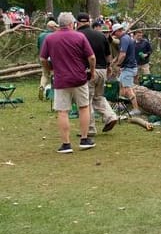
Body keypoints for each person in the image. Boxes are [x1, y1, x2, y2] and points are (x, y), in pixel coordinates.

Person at [39, 12, 96, 153]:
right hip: (79, 78)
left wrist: (49, 69)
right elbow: (92, 57)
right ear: (72, 24)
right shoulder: (79, 36)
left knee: (62, 111)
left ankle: (66, 144)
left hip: (61, 79)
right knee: (83, 107)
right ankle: (84, 139)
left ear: (60, 23)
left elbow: (42, 58)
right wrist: (92, 71)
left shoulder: (50, 38)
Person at [75, 12, 118, 136]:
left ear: (78, 22)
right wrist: (109, 67)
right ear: (89, 21)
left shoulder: (78, 35)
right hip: (102, 70)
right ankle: (110, 116)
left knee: (86, 100)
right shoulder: (100, 36)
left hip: (88, 71)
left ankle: (90, 129)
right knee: (98, 97)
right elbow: (108, 55)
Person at [110, 24, 142, 115]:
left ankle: (136, 109)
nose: (114, 35)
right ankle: (121, 104)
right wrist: (114, 60)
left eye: (114, 33)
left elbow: (123, 55)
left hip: (129, 68)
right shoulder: (125, 38)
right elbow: (120, 53)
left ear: (118, 31)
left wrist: (118, 64)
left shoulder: (124, 39)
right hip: (128, 67)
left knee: (128, 89)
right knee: (121, 85)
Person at [37, 19, 59, 100]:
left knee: (44, 74)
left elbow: (39, 47)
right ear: (53, 27)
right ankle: (53, 92)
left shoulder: (41, 35)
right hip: (53, 58)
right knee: (54, 75)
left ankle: (42, 86)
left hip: (43, 58)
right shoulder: (56, 35)